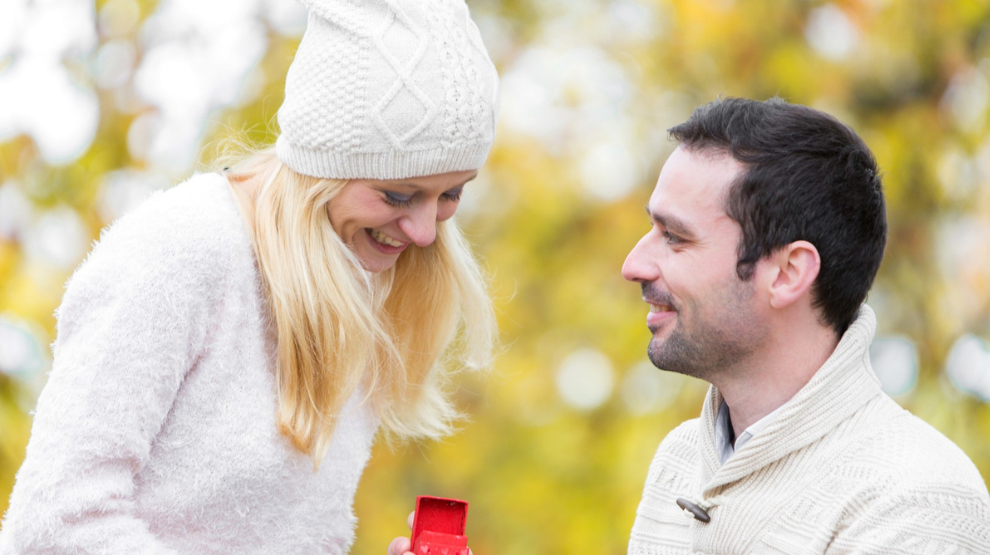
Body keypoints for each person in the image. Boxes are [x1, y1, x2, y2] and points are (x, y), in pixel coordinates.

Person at [0, 0, 499, 553]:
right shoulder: (179, 251)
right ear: (322, 163)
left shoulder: (360, 269)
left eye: (451, 193)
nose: (426, 231)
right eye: (398, 194)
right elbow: (54, 523)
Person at [621, 97, 990, 553]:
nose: (633, 265)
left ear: (788, 273)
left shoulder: (915, 499)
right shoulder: (678, 462)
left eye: (674, 236)